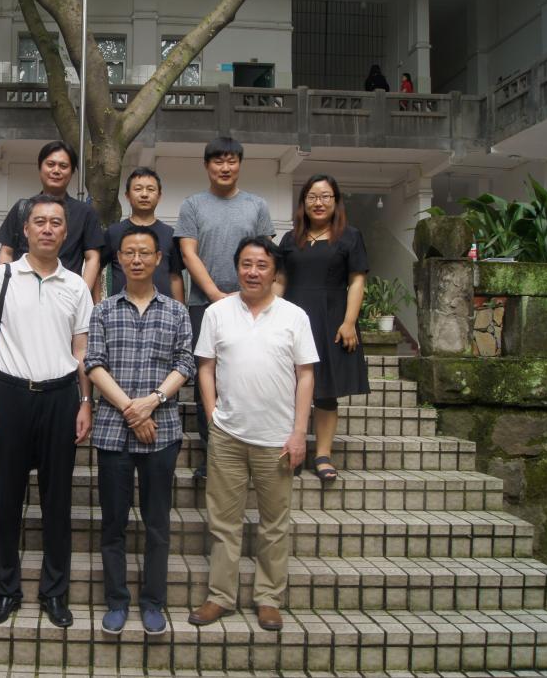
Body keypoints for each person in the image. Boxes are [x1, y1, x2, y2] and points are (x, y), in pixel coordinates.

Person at [0, 193, 94, 628]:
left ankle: (54, 593)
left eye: (55, 222)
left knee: (57, 501)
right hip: (9, 396)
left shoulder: (76, 285)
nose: (47, 228)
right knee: (7, 500)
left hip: (61, 398)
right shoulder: (2, 277)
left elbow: (82, 350)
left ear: (65, 232)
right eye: (39, 221)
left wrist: (85, 402)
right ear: (25, 230)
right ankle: (5, 592)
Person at [187, 236, 317, 632]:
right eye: (246, 264)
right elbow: (205, 367)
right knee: (223, 522)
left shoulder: (294, 316)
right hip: (227, 435)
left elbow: (306, 375)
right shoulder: (217, 313)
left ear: (274, 272)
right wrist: (212, 416)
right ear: (237, 268)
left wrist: (299, 433)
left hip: (277, 439)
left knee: (274, 523)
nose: (253, 271)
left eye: (262, 265)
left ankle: (268, 598)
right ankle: (220, 596)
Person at [85, 225, 195, 636]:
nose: (136, 259)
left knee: (157, 524)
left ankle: (153, 602)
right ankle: (117, 601)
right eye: (128, 252)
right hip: (113, 433)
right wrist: (132, 410)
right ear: (118, 259)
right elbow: (93, 363)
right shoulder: (103, 310)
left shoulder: (177, 312)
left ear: (158, 259)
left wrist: (153, 401)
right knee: (113, 523)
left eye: (144, 252)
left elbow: (185, 363)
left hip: (161, 432)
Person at [174, 136, 274, 479]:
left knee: (249, 373)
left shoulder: (257, 205)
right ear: (207, 166)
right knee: (207, 378)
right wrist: (216, 295)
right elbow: (188, 253)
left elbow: (265, 256)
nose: (225, 167)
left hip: (252, 306)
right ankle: (212, 453)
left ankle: (254, 449)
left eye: (231, 160)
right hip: (204, 305)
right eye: (218, 161)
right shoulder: (192, 205)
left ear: (240, 165)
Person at [277, 175, 370, 484]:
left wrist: (349, 322)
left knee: (326, 391)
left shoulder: (350, 237)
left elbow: (357, 280)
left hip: (332, 320)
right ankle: (292, 448)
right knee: (288, 387)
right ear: (303, 202)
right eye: (312, 197)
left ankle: (322, 455)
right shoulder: (290, 239)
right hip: (293, 319)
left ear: (335, 201)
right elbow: (280, 281)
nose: (319, 202)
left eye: (325, 196)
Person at [0, 140, 104, 293]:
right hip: (21, 292)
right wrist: (3, 290)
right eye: (51, 164)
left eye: (63, 166)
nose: (56, 170)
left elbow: (92, 258)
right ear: (40, 168)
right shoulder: (22, 208)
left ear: (72, 172)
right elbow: (7, 252)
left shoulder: (85, 212)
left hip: (65, 294)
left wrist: (81, 293)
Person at [100, 168, 185, 303]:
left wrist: (180, 311)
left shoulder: (170, 234)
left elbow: (175, 277)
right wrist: (97, 304)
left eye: (150, 189)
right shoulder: (113, 232)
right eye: (138, 189)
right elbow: (96, 269)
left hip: (163, 312)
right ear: (127, 195)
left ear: (159, 196)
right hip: (120, 310)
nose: (144, 194)